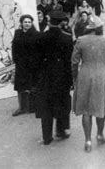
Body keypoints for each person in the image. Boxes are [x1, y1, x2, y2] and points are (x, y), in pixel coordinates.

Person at [72, 16, 105, 152]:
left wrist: (75, 77)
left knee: (86, 109)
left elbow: (74, 62)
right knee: (100, 106)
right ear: (99, 27)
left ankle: (88, 140)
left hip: (84, 75)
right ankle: (99, 134)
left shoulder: (80, 40)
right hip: (101, 75)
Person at [34, 11, 74, 145]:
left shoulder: (40, 37)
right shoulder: (67, 38)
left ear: (49, 21)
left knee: (46, 106)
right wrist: (70, 80)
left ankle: (47, 137)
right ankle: (61, 130)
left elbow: (37, 60)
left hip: (45, 77)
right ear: (62, 22)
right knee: (62, 103)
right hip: (61, 77)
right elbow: (69, 62)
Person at [12, 14, 40, 116]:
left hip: (32, 65)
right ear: (21, 23)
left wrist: (36, 63)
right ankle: (21, 108)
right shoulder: (17, 33)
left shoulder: (36, 34)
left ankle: (34, 107)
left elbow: (39, 50)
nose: (27, 24)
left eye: (29, 22)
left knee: (33, 86)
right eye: (25, 22)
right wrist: (15, 60)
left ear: (31, 23)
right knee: (20, 87)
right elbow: (14, 47)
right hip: (20, 64)